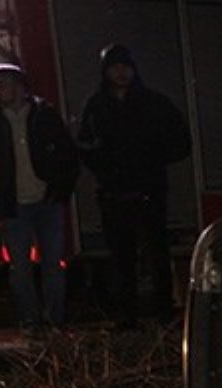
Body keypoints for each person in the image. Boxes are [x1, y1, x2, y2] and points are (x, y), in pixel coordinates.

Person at [76, 44, 191, 329]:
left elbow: (182, 141)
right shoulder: (96, 105)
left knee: (157, 255)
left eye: (126, 66)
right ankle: (126, 316)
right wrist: (104, 167)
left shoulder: (154, 102)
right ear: (105, 71)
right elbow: (84, 144)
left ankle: (164, 312)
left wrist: (152, 159)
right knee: (121, 258)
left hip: (149, 190)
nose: (121, 72)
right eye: (114, 67)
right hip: (113, 193)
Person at [0, 63, 79, 334]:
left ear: (19, 87)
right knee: (20, 268)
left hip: (46, 201)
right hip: (14, 206)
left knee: (52, 264)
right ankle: (31, 320)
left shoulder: (44, 116)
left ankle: (54, 320)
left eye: (2, 84)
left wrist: (60, 189)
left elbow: (68, 155)